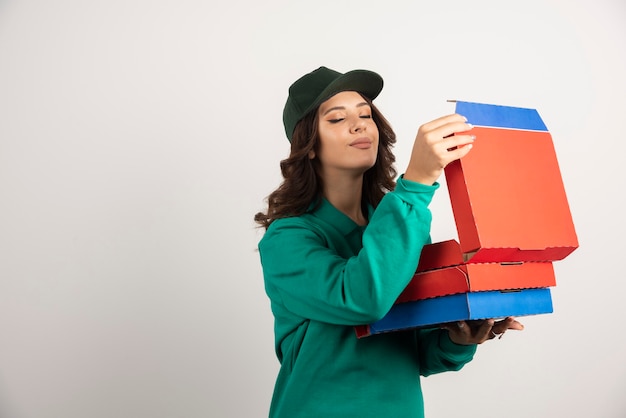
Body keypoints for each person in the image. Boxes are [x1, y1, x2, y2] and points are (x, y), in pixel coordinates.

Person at [255, 66, 523, 418]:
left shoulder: (400, 225)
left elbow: (410, 350)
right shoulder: (287, 240)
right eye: (337, 119)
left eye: (365, 114)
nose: (359, 124)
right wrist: (417, 182)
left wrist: (460, 337)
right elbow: (364, 299)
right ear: (308, 146)